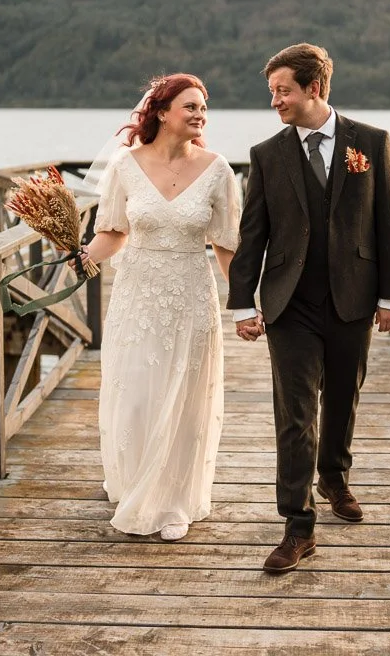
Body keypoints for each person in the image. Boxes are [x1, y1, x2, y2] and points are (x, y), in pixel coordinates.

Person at [228, 43, 390, 573]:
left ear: (316, 88)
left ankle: (333, 475)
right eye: (272, 93)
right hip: (290, 303)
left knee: (343, 398)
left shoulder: (371, 143)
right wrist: (243, 303)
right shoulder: (267, 154)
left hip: (354, 299)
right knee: (295, 414)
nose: (276, 101)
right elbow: (252, 233)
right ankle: (298, 527)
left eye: (283, 91)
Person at [78, 73, 241, 542]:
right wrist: (83, 256)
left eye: (203, 108)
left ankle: (171, 502)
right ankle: (132, 484)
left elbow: (228, 247)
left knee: (183, 398)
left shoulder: (218, 170)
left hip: (191, 294)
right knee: (135, 395)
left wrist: (247, 305)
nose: (199, 114)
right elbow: (112, 233)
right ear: (162, 112)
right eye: (189, 106)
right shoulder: (126, 166)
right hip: (137, 295)